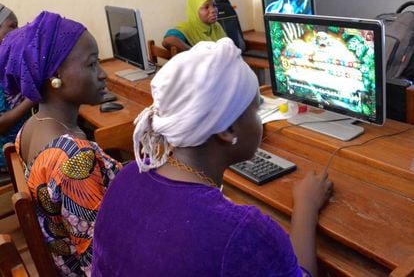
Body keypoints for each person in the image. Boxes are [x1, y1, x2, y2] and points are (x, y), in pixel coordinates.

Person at [92, 38, 333, 276]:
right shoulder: (242, 231)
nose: (259, 119)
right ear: (227, 130)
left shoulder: (129, 175)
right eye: (256, 109)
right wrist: (306, 206)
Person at [0, 11, 122, 276]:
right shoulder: (73, 159)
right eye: (92, 65)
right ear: (55, 76)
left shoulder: (34, 124)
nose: (103, 75)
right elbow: (102, 263)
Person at [0, 3, 34, 178]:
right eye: (12, 26)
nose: (18, 31)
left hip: (22, 144)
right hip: (7, 156)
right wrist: (32, 99)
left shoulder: (8, 61)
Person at [162, 0, 226, 52]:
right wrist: (193, 53)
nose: (213, 10)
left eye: (214, 5)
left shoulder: (216, 26)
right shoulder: (187, 28)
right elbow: (168, 41)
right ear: (194, 11)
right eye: (206, 7)